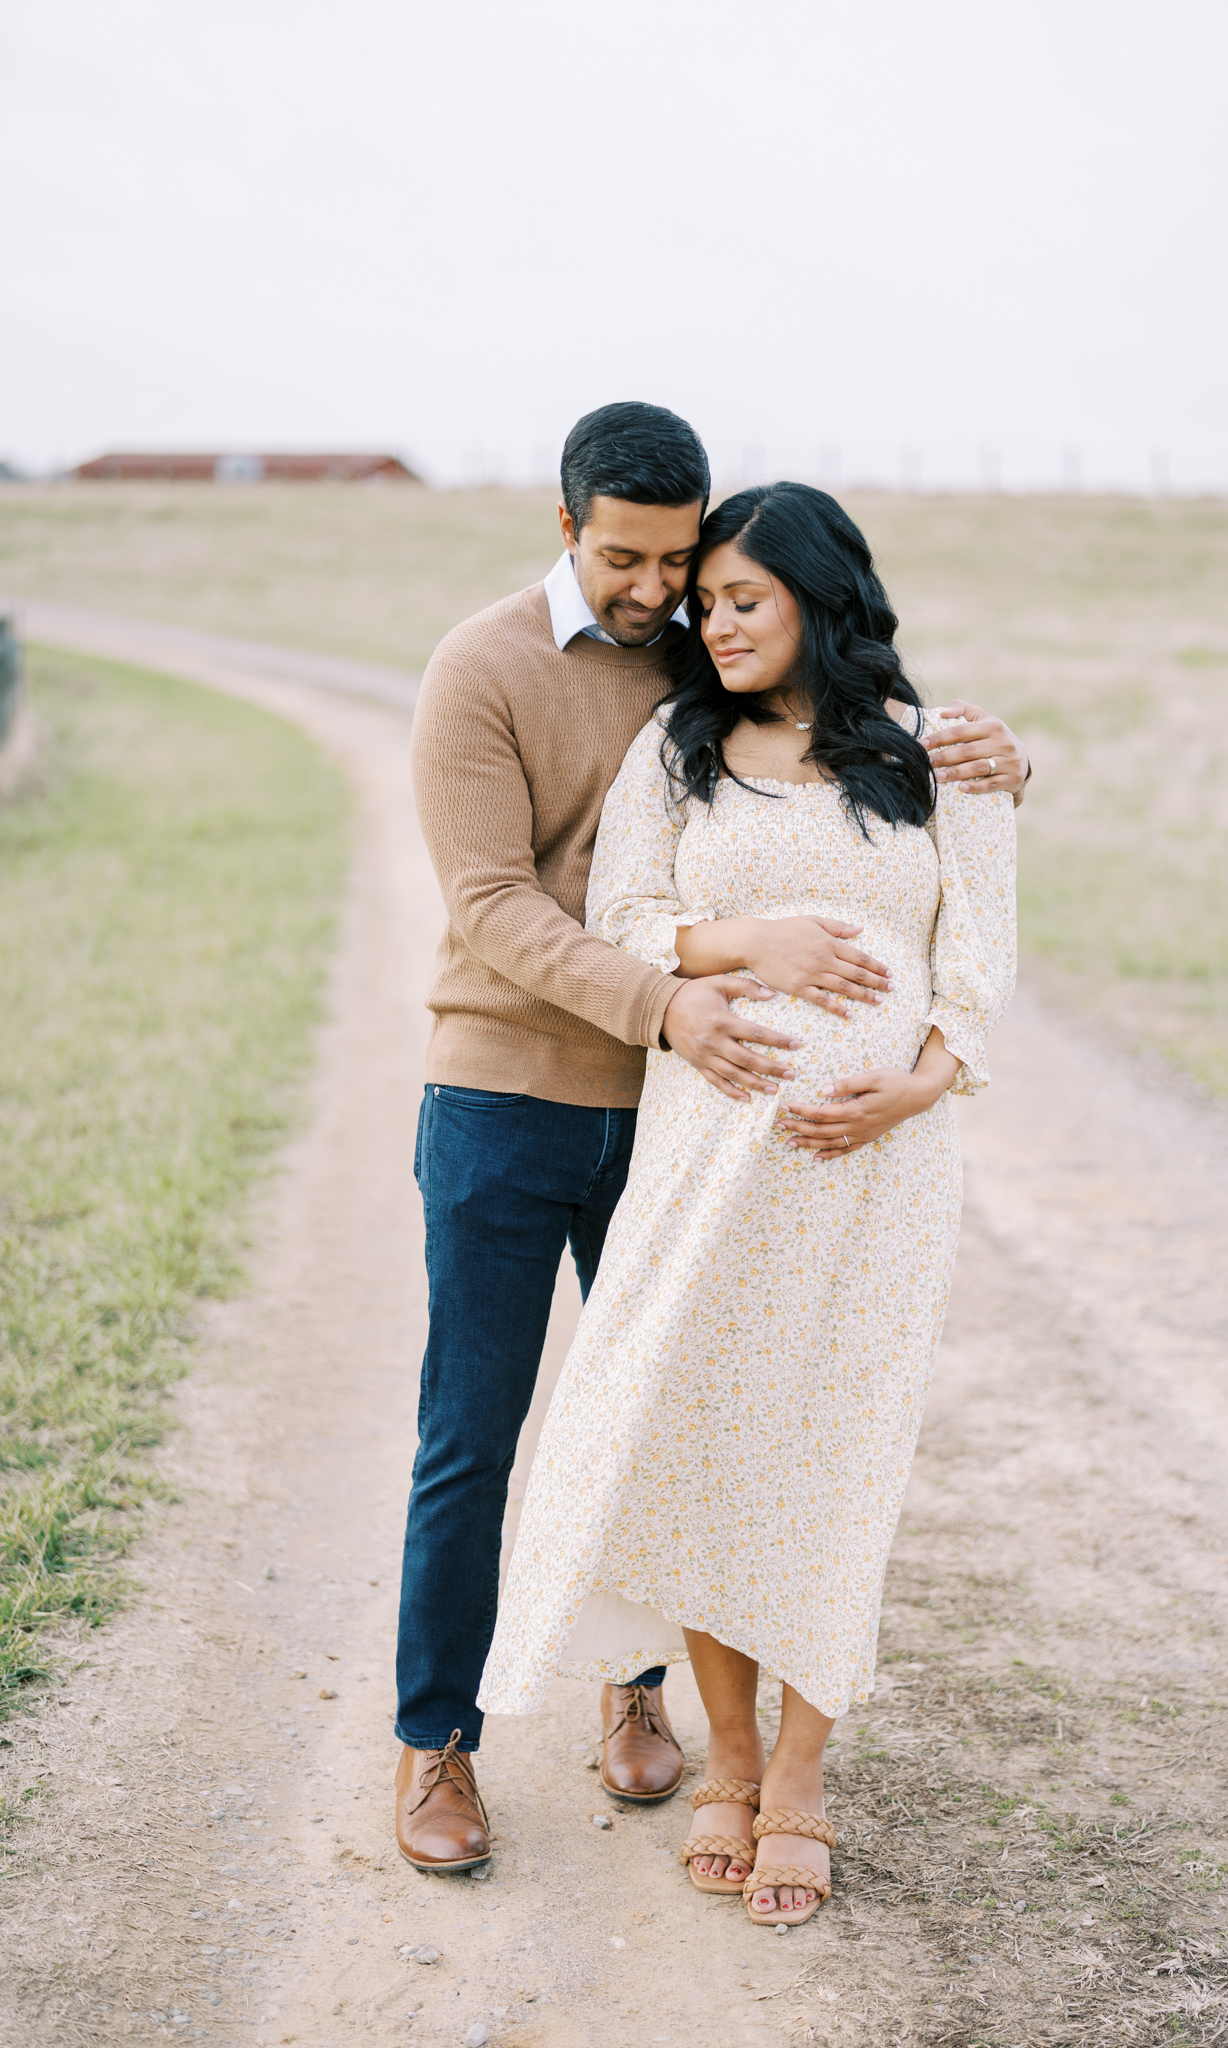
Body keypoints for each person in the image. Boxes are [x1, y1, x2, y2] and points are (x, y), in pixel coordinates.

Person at [397, 406, 1029, 1874]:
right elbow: (500, 904)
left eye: (685, 566)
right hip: (517, 1089)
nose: (660, 594)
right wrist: (680, 999)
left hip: (708, 1129)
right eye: (630, 561)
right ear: (567, 530)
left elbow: (880, 785)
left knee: (692, 1427)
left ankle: (640, 1710)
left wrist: (997, 759)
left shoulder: (702, 657)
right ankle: (438, 1744)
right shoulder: (485, 668)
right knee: (472, 1439)